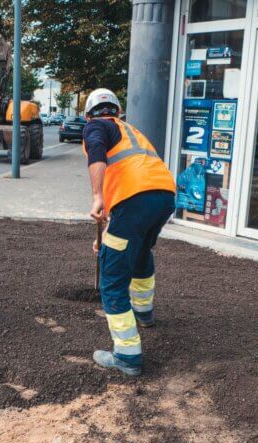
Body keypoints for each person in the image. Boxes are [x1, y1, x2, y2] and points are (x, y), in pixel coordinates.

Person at [81, 88, 176, 377]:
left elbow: (97, 153)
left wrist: (97, 196)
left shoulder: (95, 126)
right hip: (163, 197)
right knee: (141, 251)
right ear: (118, 111)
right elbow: (129, 189)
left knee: (111, 278)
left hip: (134, 201)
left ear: (87, 115)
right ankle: (144, 313)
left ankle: (127, 355)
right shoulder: (132, 130)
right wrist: (105, 236)